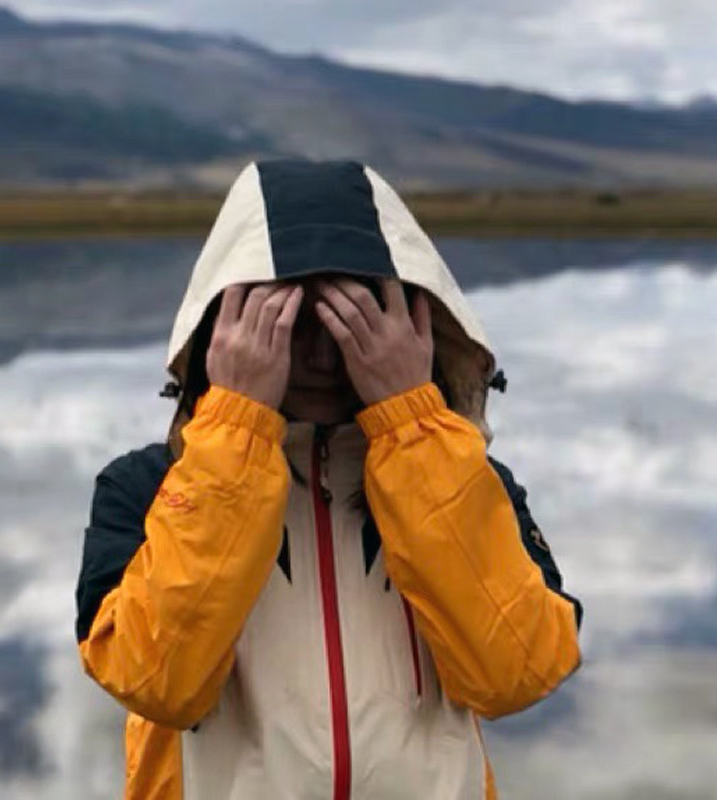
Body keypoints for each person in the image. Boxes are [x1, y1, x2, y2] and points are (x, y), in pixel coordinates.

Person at [75, 159, 582, 800]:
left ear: (416, 324)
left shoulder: (464, 476)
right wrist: (236, 428)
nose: (319, 355)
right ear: (222, 329)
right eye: (289, 321)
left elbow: (517, 674)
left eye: (351, 318)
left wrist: (411, 426)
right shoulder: (149, 487)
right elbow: (157, 682)